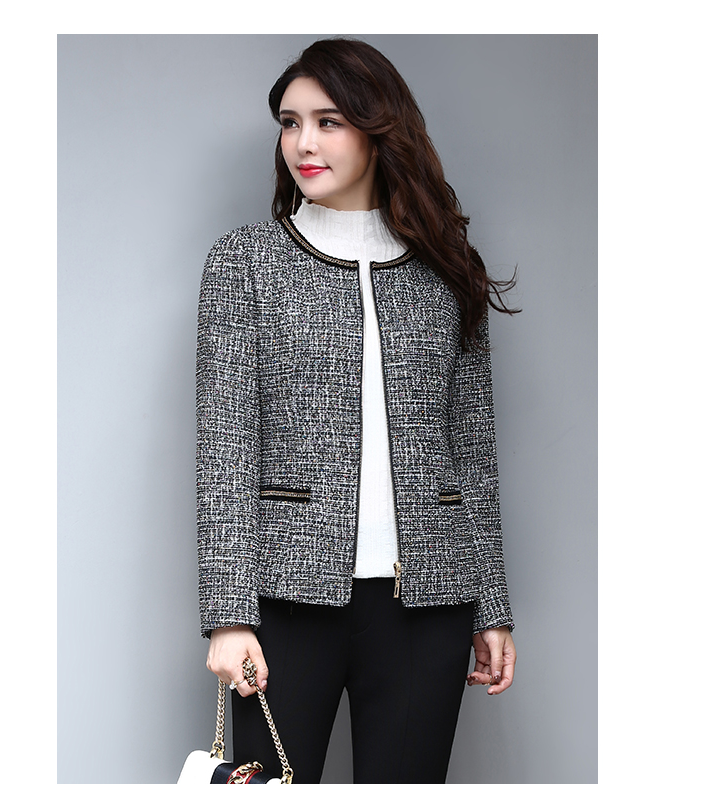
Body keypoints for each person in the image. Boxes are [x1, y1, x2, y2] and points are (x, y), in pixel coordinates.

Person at [195, 37, 518, 784]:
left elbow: (472, 449)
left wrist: (492, 605)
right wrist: (227, 613)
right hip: (284, 600)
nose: (303, 143)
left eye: (329, 121)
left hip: (429, 606)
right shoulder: (244, 262)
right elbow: (224, 445)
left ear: (379, 129)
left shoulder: (447, 268)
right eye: (290, 122)